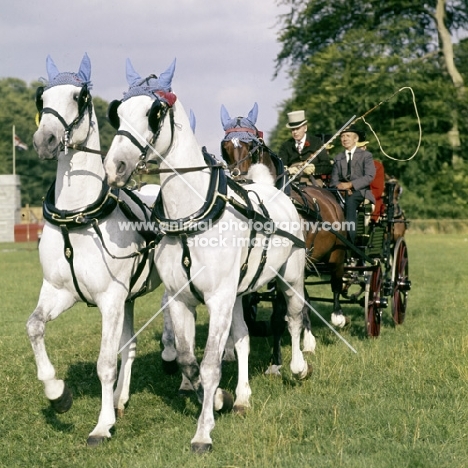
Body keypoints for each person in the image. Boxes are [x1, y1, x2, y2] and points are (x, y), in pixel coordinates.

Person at [329, 125, 376, 245]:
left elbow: (369, 176)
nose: (344, 139)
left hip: (361, 192)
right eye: (342, 136)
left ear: (356, 139)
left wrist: (350, 185)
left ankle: (350, 241)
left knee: (350, 202)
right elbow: (333, 181)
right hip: (340, 192)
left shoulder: (366, 156)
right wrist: (340, 187)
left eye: (348, 136)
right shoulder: (338, 158)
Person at [278, 110, 332, 186]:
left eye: (298, 128)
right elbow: (280, 167)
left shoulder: (316, 142)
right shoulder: (286, 146)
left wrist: (314, 168)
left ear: (305, 128)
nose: (295, 132)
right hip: (292, 184)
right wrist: (288, 170)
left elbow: (328, 166)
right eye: (293, 129)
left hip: (313, 183)